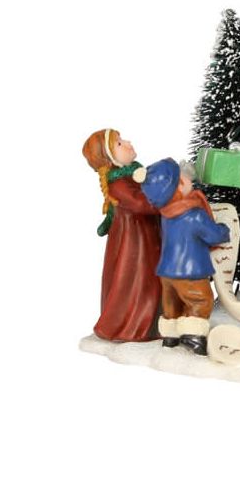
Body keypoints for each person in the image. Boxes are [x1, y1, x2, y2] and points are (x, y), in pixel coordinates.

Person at [136, 158, 230, 356]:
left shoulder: (166, 214)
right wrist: (224, 229)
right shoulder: (194, 215)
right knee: (201, 301)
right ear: (179, 185)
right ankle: (193, 336)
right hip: (190, 272)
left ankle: (170, 336)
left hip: (166, 272)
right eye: (183, 177)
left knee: (172, 304)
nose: (189, 179)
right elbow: (214, 235)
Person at [82, 129, 161, 342]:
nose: (127, 142)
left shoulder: (134, 174)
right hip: (135, 244)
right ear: (109, 159)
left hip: (146, 237)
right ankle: (133, 326)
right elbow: (142, 204)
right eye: (118, 144)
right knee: (138, 281)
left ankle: (154, 322)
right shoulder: (118, 184)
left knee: (152, 280)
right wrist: (169, 197)